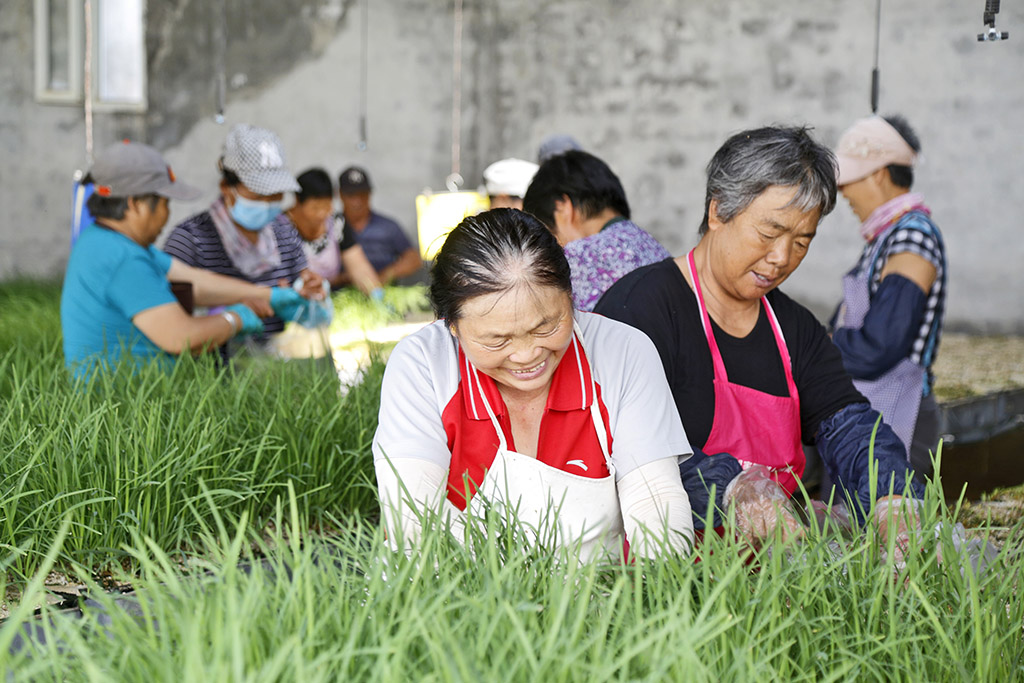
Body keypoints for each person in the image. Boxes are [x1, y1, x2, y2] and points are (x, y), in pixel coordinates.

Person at [595, 126, 925, 546]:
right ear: (717, 212)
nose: (782, 258)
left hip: (770, 577)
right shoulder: (639, 309)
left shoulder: (796, 330)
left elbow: (850, 426)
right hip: (660, 571)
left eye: (802, 241)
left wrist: (892, 494)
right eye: (769, 234)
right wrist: (734, 490)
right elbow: (615, 445)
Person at [372, 209, 694, 561]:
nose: (527, 355)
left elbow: (655, 498)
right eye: (497, 341)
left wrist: (658, 594)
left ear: (571, 297)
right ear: (452, 326)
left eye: (546, 327)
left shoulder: (622, 352)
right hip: (454, 596)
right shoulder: (423, 366)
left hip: (600, 595)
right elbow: (413, 521)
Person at [61, 141, 307, 379]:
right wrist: (235, 318)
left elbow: (194, 282)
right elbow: (182, 339)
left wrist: (268, 295)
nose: (167, 215)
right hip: (127, 405)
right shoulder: (122, 258)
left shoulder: (106, 241)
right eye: (165, 204)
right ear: (135, 205)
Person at [830, 115, 946, 477]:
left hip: (898, 417)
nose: (842, 191)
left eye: (848, 179)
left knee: (890, 527)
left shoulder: (913, 237)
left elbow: (881, 345)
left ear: (878, 173)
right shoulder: (885, 238)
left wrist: (817, 352)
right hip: (871, 408)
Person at [163, 124, 324, 340]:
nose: (268, 203)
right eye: (258, 195)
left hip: (279, 363)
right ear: (226, 188)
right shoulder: (190, 240)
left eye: (276, 195)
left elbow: (305, 297)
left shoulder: (284, 231)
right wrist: (226, 316)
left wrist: (308, 294)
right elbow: (169, 316)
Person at [522, 150, 671, 311]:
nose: (553, 245)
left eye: (549, 234)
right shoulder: (653, 247)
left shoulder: (575, 258)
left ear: (562, 207)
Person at [274, 167, 384, 299]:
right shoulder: (279, 228)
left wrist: (375, 293)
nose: (321, 214)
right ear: (297, 201)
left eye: (326, 206)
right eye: (315, 208)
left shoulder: (337, 224)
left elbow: (358, 266)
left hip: (331, 299)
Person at [337, 166, 421, 283]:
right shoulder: (333, 227)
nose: (357, 201)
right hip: (342, 291)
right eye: (351, 195)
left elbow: (413, 258)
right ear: (340, 195)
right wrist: (346, 277)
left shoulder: (387, 227)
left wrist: (386, 274)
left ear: (370, 193)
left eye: (362, 194)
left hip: (383, 291)